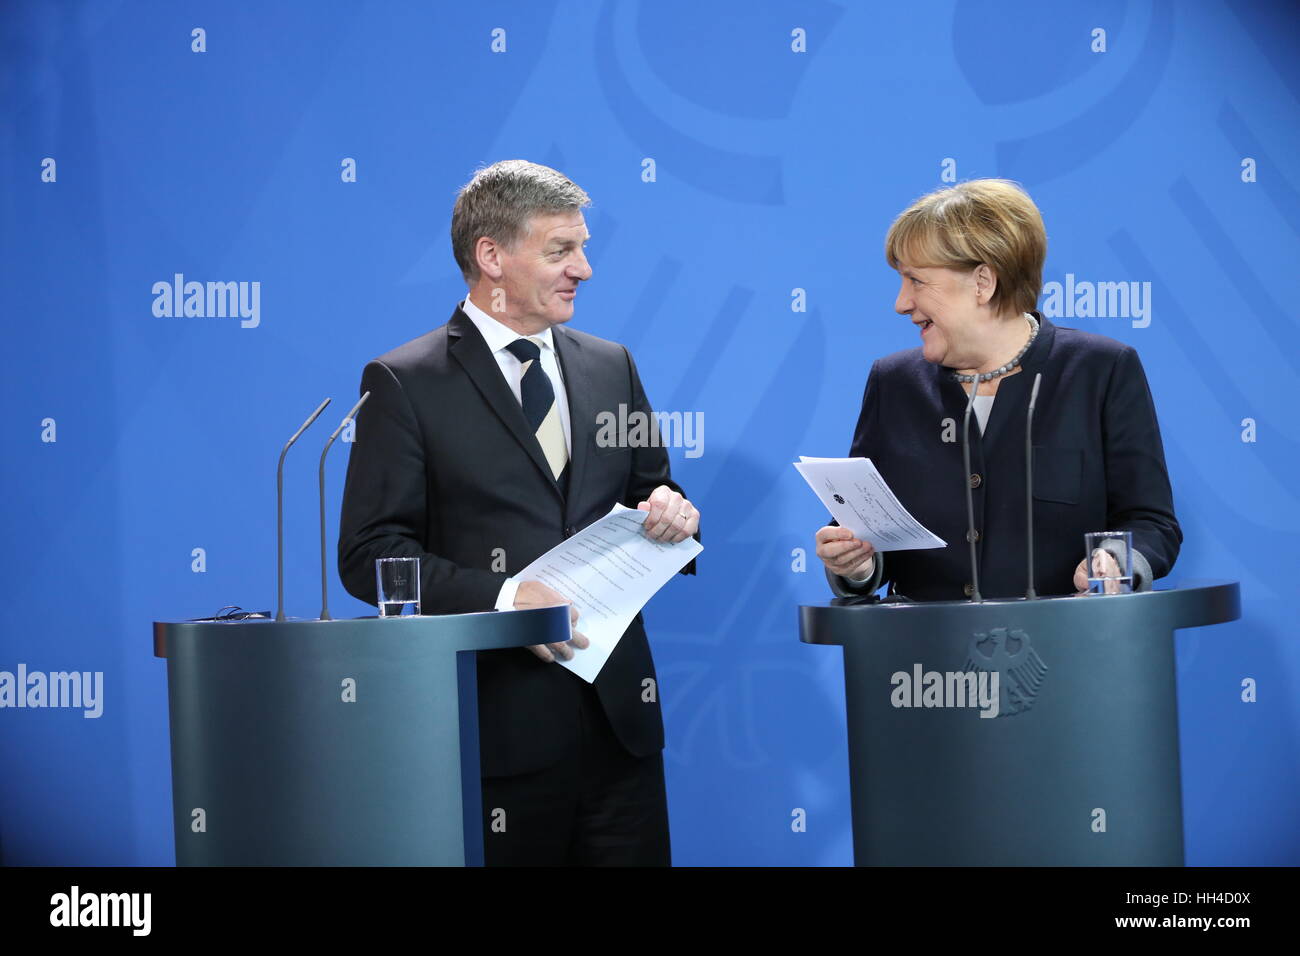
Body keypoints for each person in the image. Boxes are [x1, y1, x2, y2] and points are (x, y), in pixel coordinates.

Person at [337, 160, 698, 866]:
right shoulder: (405, 383)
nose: (584, 269)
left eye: (584, 248)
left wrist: (674, 514)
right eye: (561, 250)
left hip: (620, 732)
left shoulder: (609, 365)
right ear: (491, 256)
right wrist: (507, 598)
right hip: (491, 735)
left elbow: (659, 493)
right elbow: (371, 555)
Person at [816, 179, 1181, 602]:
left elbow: (1151, 522)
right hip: (923, 659)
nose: (901, 302)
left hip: (1068, 651)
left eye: (916, 281)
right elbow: (864, 529)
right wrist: (857, 563)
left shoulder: (1101, 370)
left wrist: (1116, 559)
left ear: (983, 283)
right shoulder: (894, 383)